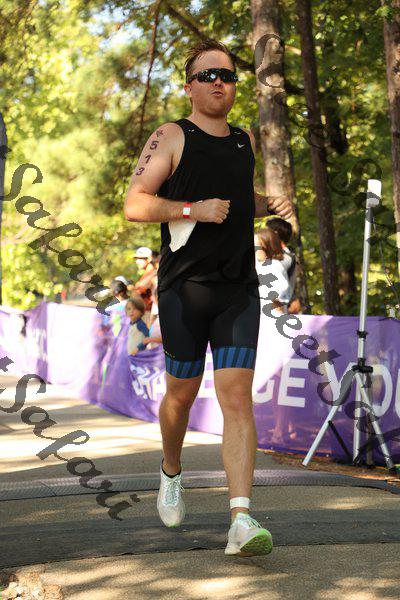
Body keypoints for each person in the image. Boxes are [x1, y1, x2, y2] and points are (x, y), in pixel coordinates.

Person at [123, 39, 294, 557]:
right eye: (208, 75)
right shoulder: (172, 135)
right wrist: (192, 209)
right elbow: (135, 204)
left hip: (237, 289)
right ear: (189, 87)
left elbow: (236, 199)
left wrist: (268, 203)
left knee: (237, 398)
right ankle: (171, 470)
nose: (219, 82)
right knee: (180, 394)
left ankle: (240, 519)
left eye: (228, 75)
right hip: (184, 290)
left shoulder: (243, 140)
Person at [254, 227, 293, 316]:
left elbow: (281, 296)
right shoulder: (257, 266)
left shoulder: (274, 266)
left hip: (271, 316)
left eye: (258, 246)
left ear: (267, 247)